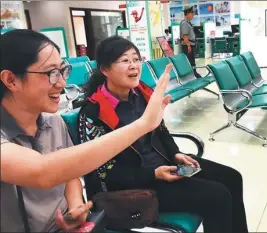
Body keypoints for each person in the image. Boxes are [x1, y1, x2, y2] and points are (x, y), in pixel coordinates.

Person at [0, 29, 172, 232]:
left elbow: (70, 173)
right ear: (11, 80)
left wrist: (75, 207)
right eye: (51, 73)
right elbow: (43, 171)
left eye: (62, 71)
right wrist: (143, 125)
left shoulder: (53, 123)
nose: (62, 84)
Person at [78, 35, 248, 233]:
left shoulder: (142, 95)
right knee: (217, 196)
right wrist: (153, 174)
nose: (134, 66)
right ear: (105, 69)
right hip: (134, 185)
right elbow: (103, 176)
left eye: (136, 59)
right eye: (125, 60)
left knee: (232, 177)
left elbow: (161, 130)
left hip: (164, 166)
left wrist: (175, 153)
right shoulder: (94, 113)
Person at [180, 5, 202, 78]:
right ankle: (192, 75)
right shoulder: (184, 23)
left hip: (190, 45)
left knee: (192, 61)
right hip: (187, 45)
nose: (193, 14)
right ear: (187, 14)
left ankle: (194, 73)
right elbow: (185, 35)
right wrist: (188, 45)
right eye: (191, 13)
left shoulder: (188, 23)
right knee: (189, 61)